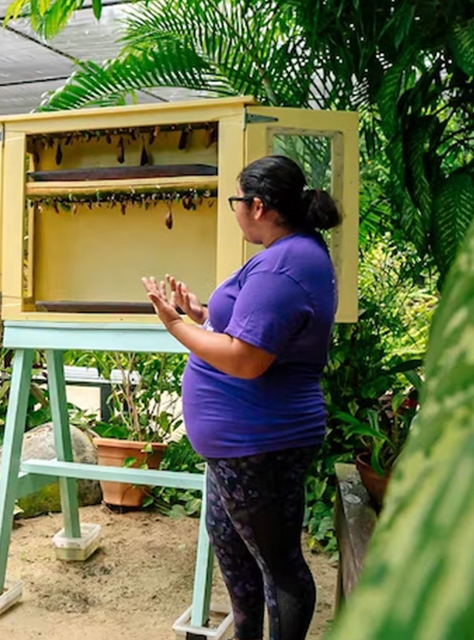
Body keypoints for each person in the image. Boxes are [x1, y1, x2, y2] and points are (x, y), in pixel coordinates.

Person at [141, 154, 340, 640]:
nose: (233, 210)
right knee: (233, 549)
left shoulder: (285, 266)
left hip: (262, 443)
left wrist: (177, 325)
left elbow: (246, 358)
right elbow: (256, 327)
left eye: (235, 201)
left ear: (256, 205)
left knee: (279, 566)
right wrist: (204, 312)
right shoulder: (285, 254)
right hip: (239, 446)